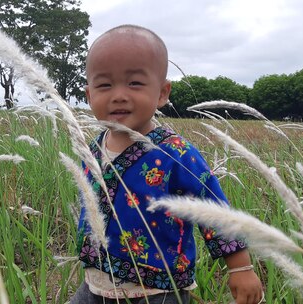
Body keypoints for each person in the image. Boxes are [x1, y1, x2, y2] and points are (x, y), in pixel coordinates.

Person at [70, 25, 263, 304]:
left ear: (162, 93)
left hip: (158, 291)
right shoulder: (92, 149)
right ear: (89, 96)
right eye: (104, 85)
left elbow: (214, 210)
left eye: (134, 83)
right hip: (95, 284)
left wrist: (240, 268)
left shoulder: (175, 153)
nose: (119, 95)